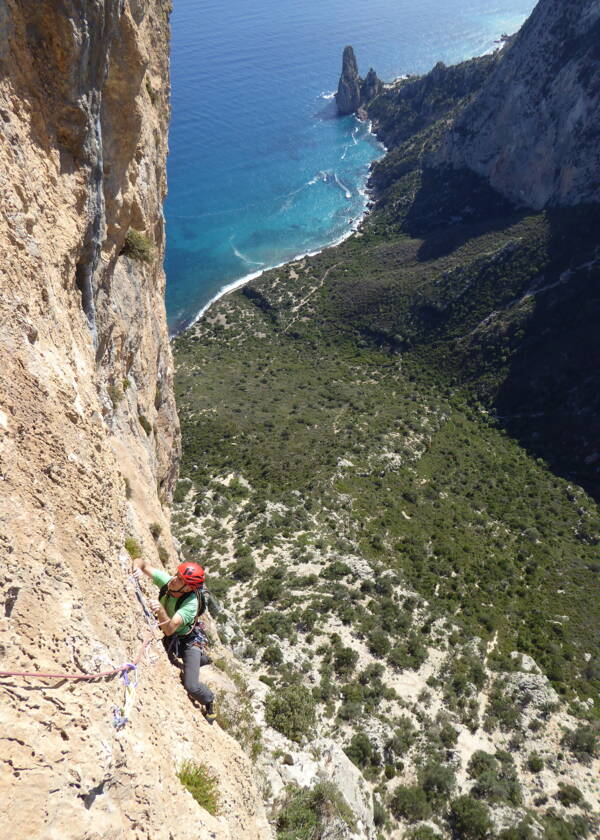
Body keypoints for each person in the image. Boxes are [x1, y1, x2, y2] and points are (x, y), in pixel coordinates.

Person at [133, 557, 216, 723]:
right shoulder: (170, 582)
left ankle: (209, 701)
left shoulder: (190, 604)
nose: (174, 579)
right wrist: (136, 568)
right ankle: (200, 660)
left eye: (180, 579)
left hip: (190, 641)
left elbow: (170, 629)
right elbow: (143, 563)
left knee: (192, 686)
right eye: (177, 575)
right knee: (173, 657)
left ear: (188, 588)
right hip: (175, 637)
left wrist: (160, 609)